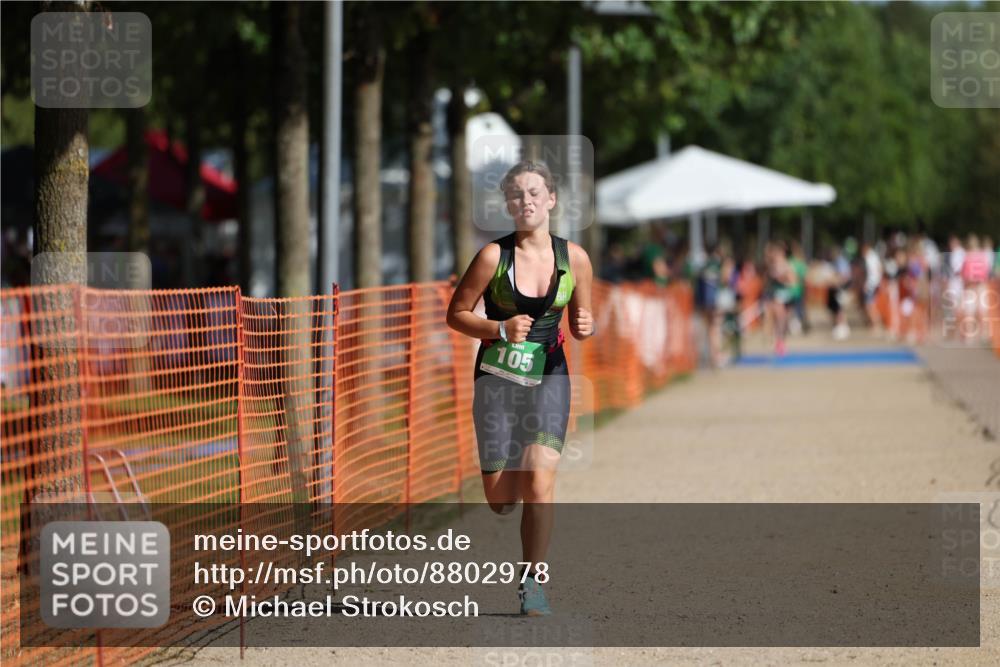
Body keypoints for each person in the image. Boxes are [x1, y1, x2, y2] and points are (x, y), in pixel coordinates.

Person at [445, 160, 594, 616]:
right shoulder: (493, 258)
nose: (525, 201)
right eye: (516, 195)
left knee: (539, 478)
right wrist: (498, 327)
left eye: (534, 193)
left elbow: (581, 323)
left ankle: (533, 583)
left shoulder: (575, 259)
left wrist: (586, 325)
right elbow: (456, 314)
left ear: (551, 199)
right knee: (501, 500)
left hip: (549, 375)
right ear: (507, 204)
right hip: (497, 382)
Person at [763, 240, 796, 356]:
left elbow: (792, 281)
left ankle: (781, 342)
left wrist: (782, 278)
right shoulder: (771, 264)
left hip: (786, 294)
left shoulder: (787, 264)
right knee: (777, 319)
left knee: (784, 320)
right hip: (776, 295)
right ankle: (778, 342)